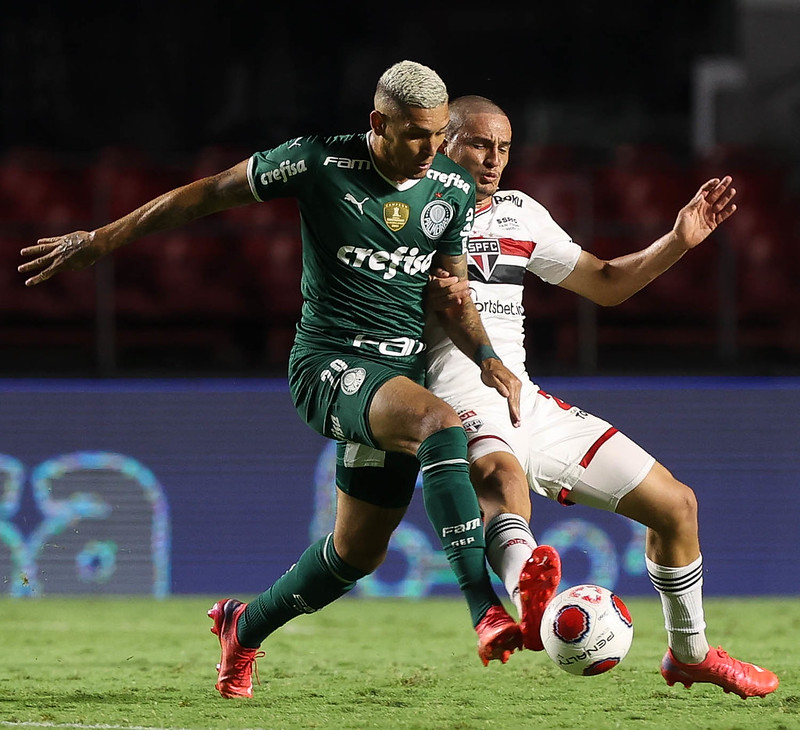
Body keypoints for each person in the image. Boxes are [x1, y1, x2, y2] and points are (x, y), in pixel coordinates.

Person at [17, 63, 526, 699]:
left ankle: (244, 625)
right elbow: (203, 194)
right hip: (330, 367)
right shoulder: (317, 164)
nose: (430, 149)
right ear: (378, 123)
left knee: (354, 555)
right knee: (439, 425)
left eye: (437, 134)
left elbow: (452, 295)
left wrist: (487, 356)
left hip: (395, 377)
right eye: (416, 135)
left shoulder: (447, 187)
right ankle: (484, 608)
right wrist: (101, 238)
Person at [425, 95, 779, 699]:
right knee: (500, 477)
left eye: (504, 147)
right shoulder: (411, 211)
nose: (493, 160)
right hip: (459, 397)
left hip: (526, 402)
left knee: (677, 507)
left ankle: (689, 654)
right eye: (479, 144)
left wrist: (677, 240)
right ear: (442, 141)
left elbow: (606, 283)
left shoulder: (519, 213)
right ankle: (529, 606)